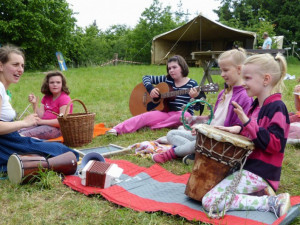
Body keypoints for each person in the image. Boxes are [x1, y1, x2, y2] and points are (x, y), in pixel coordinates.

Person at [202, 53, 291, 218]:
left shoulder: (277, 107)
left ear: (266, 79)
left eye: (248, 78)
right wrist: (238, 129)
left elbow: (275, 144)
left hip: (261, 173)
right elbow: (253, 137)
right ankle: (260, 193)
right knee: (206, 186)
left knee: (210, 201)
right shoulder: (256, 106)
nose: (243, 83)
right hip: (249, 170)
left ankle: (271, 202)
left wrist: (247, 122)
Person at [152, 48, 253, 163]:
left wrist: (213, 131)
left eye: (225, 70)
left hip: (221, 141)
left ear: (239, 69)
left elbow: (239, 129)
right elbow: (213, 120)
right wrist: (202, 127)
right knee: (172, 134)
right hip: (208, 135)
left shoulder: (244, 97)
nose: (222, 74)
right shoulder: (223, 93)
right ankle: (196, 152)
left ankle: (173, 153)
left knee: (195, 143)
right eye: (221, 70)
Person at [0, 45, 79, 172]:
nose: (20, 69)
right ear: (1, 66)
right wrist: (24, 122)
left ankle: (21, 159)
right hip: (6, 142)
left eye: (22, 66)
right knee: (67, 154)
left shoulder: (64, 98)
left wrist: (25, 129)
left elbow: (60, 121)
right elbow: (39, 115)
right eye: (15, 64)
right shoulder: (0, 87)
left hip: (15, 138)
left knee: (41, 145)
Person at [107, 55, 206, 135]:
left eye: (174, 67)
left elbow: (198, 107)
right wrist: (151, 89)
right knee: (145, 116)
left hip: (181, 114)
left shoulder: (192, 84)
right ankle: (117, 129)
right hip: (165, 112)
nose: (171, 70)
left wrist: (195, 97)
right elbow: (146, 78)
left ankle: (154, 125)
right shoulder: (167, 79)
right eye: (169, 68)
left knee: (185, 115)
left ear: (182, 67)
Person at [19, 71, 72, 139]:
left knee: (24, 134)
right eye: (52, 82)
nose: (55, 85)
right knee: (18, 130)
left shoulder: (64, 98)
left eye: (58, 82)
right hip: (43, 125)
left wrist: (41, 122)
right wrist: (34, 103)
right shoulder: (46, 97)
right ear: (48, 84)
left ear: (62, 84)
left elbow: (62, 121)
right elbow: (41, 115)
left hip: (57, 129)